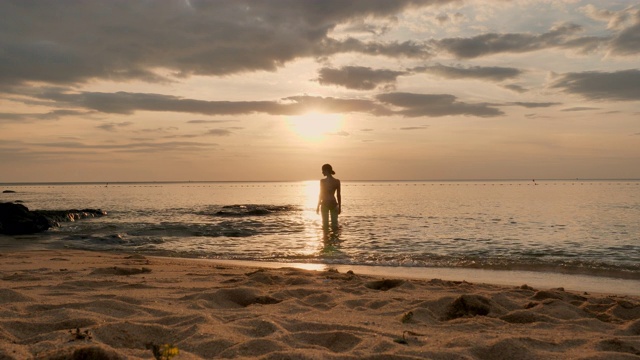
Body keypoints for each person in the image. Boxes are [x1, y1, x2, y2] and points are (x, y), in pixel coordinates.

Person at [316, 164, 341, 232]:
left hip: (325, 204)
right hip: (334, 204)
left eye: (323, 171)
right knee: (335, 225)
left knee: (325, 226)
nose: (322, 172)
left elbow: (321, 194)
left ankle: (326, 241)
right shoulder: (337, 181)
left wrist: (318, 206)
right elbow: (338, 195)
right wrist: (339, 207)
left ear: (326, 170)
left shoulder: (322, 181)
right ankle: (335, 241)